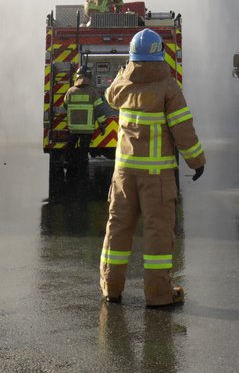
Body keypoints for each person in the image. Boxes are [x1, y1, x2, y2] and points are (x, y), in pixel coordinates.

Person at [99, 28, 205, 307]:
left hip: (123, 176)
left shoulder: (122, 85)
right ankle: (158, 295)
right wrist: (197, 161)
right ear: (160, 55)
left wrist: (125, 71)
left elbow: (109, 96)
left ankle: (111, 288)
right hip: (156, 179)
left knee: (117, 230)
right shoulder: (168, 87)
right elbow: (183, 130)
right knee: (158, 235)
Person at [60, 65, 108, 160]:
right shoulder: (93, 92)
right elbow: (99, 110)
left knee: (70, 149)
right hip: (87, 130)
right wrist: (102, 125)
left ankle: (68, 166)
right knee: (83, 154)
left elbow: (65, 106)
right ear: (89, 77)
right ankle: (82, 171)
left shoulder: (70, 91)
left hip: (73, 129)